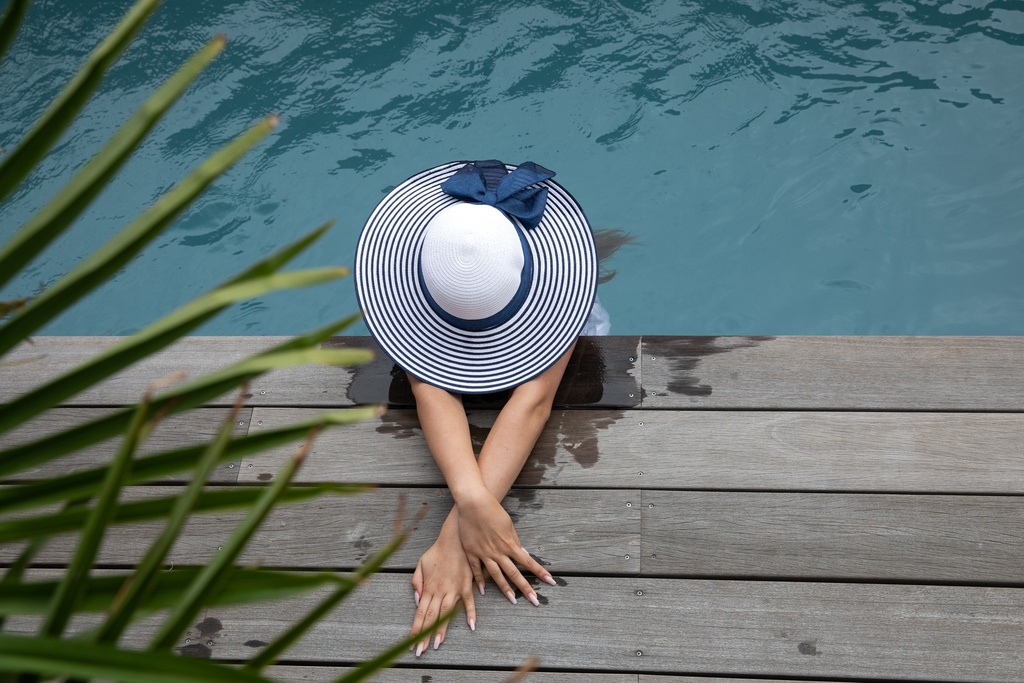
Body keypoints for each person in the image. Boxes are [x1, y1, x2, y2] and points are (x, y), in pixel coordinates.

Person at [354, 159, 605, 656]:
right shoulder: (444, 267)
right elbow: (432, 389)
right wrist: (469, 507)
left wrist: (453, 539)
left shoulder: (554, 304)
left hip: (540, 335)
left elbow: (533, 400)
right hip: (458, 320)